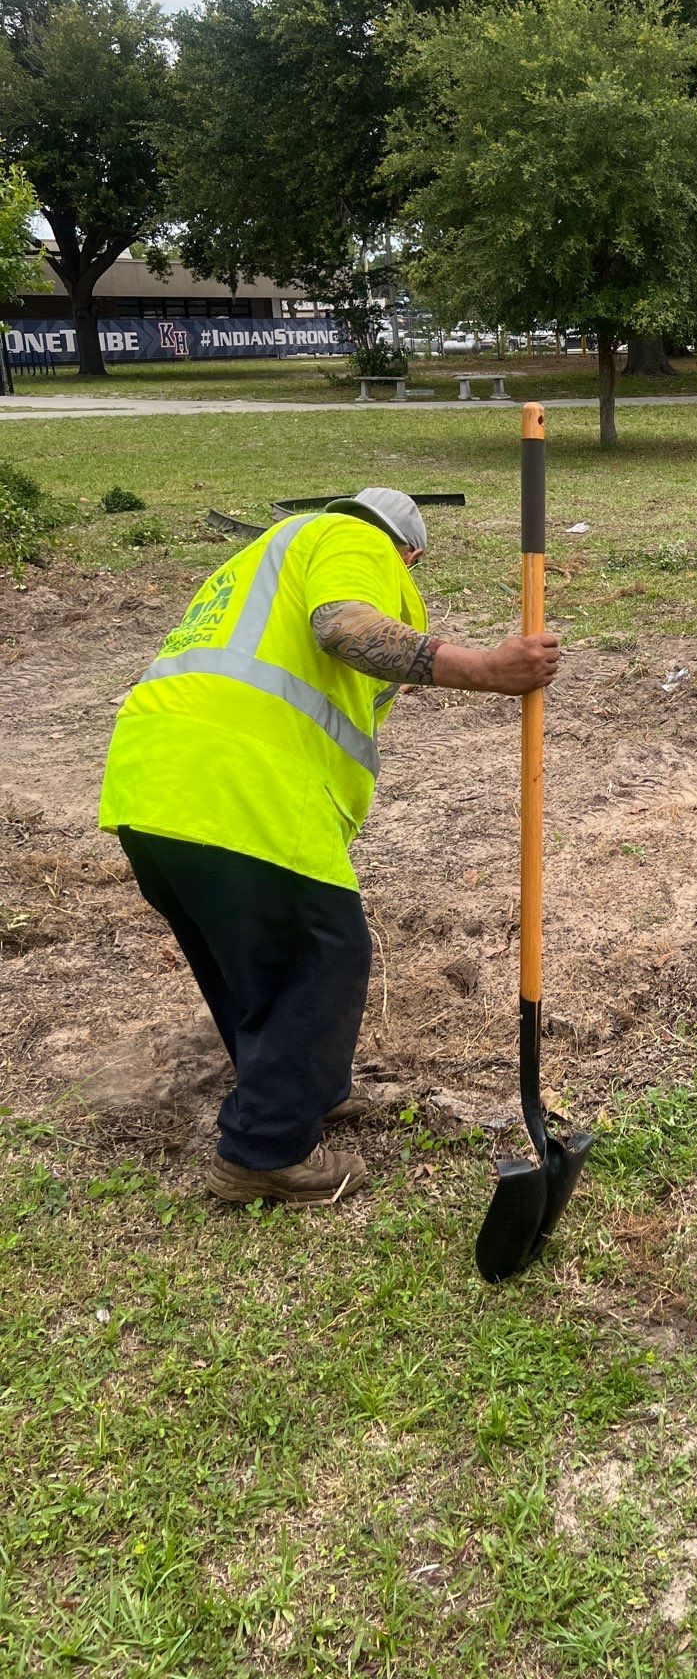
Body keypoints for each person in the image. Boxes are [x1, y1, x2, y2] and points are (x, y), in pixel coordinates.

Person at [98, 487, 559, 1206]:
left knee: (257, 962)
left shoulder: (262, 557)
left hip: (150, 782)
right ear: (410, 554)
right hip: (238, 780)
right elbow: (344, 627)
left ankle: (305, 1088)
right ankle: (265, 1150)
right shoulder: (351, 541)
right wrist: (487, 670)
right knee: (326, 951)